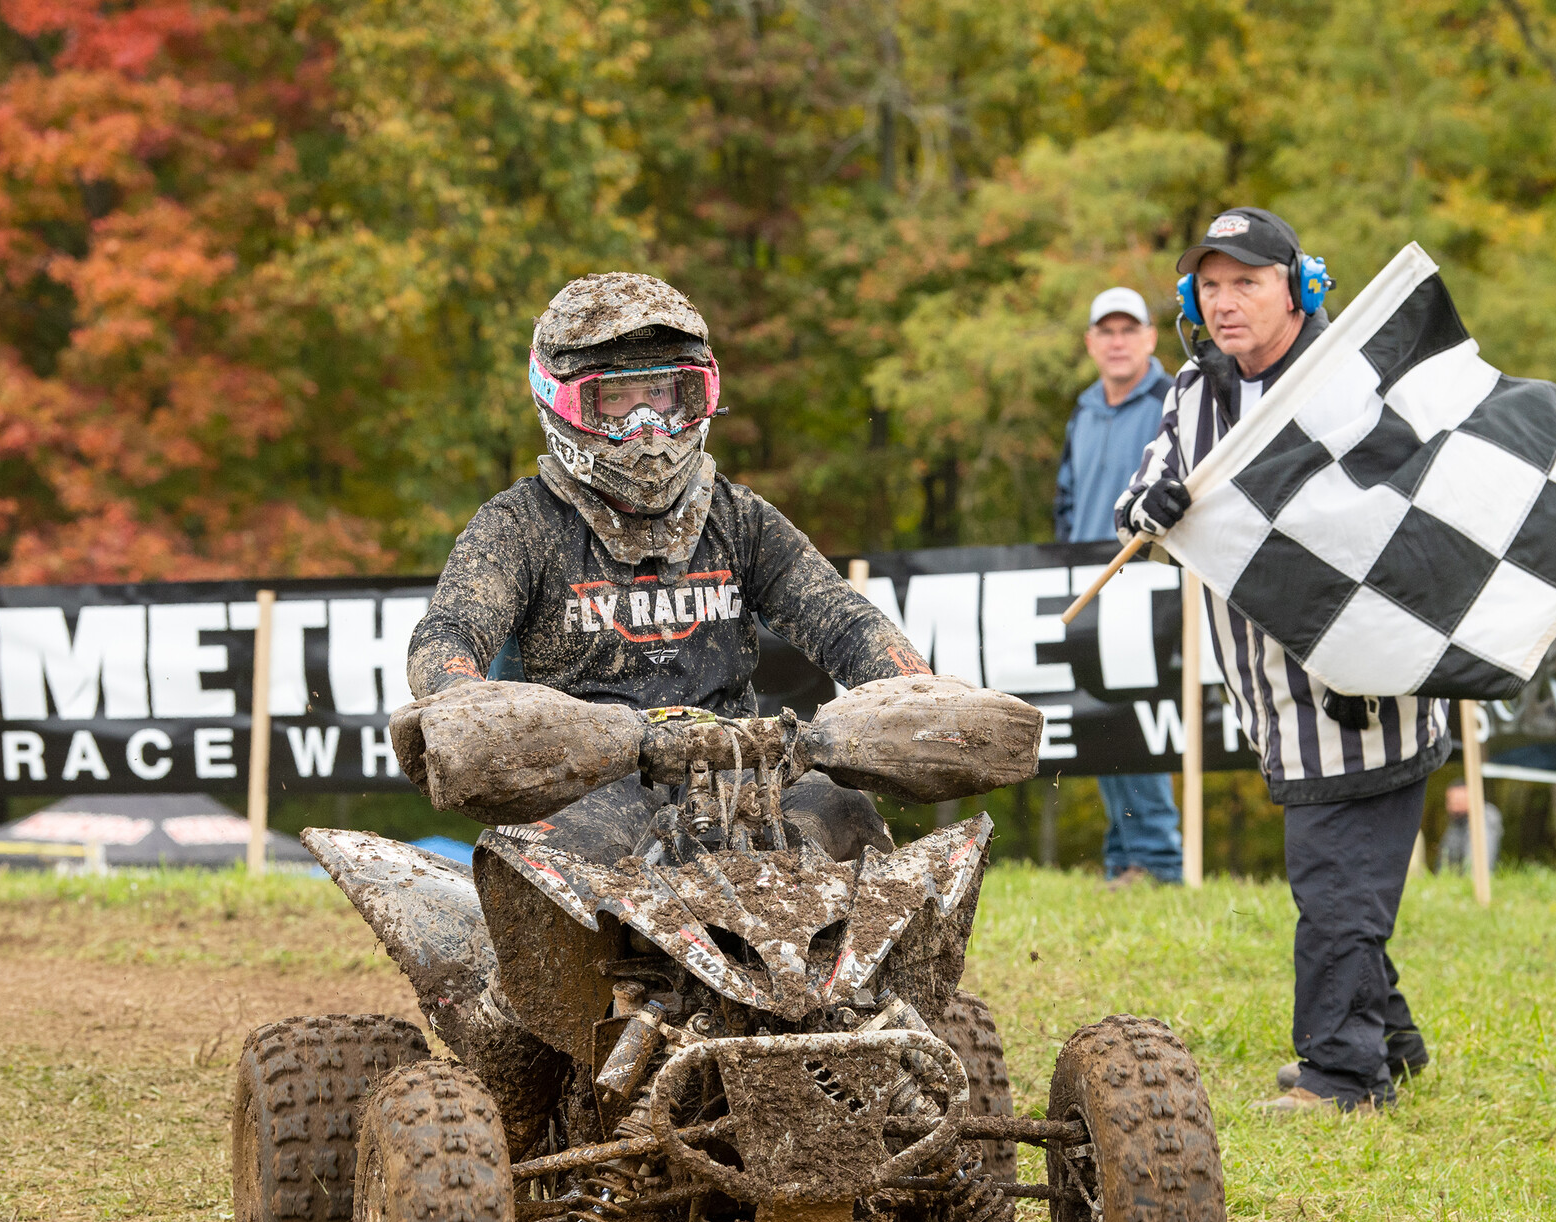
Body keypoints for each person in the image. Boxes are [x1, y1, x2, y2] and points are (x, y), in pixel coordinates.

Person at [406, 272, 931, 867]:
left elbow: (847, 623)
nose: (647, 429)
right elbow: (448, 633)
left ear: (696, 397)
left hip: (742, 775)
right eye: (617, 402)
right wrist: (460, 697)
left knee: (848, 815)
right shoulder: (521, 524)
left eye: (659, 396)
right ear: (564, 402)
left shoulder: (738, 519)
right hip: (590, 780)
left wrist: (912, 687)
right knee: (552, 861)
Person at [1116, 207, 1442, 1114]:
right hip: (1275, 701)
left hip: (1368, 695)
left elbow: (1411, 509)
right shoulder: (1193, 391)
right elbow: (1142, 488)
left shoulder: (1356, 380)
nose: (1225, 303)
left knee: (1334, 878)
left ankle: (1345, 1073)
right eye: (1210, 285)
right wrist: (1152, 502)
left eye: (1247, 282)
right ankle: (1396, 1045)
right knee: (1348, 881)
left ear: (1299, 288)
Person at [1056, 286, 1183, 886]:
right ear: (1090, 342)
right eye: (1105, 330)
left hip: (1148, 586)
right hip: (1089, 589)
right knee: (1100, 721)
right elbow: (1067, 499)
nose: (1117, 341)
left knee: (1142, 720)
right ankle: (1123, 858)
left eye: (1128, 329)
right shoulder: (1081, 411)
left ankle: (1158, 861)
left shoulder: (1173, 402)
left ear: (1150, 338)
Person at [1436, 783, 1501, 875]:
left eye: (1458, 801)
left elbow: (1478, 863)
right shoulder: (1455, 822)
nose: (1453, 806)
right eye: (1450, 802)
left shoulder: (1482, 820)